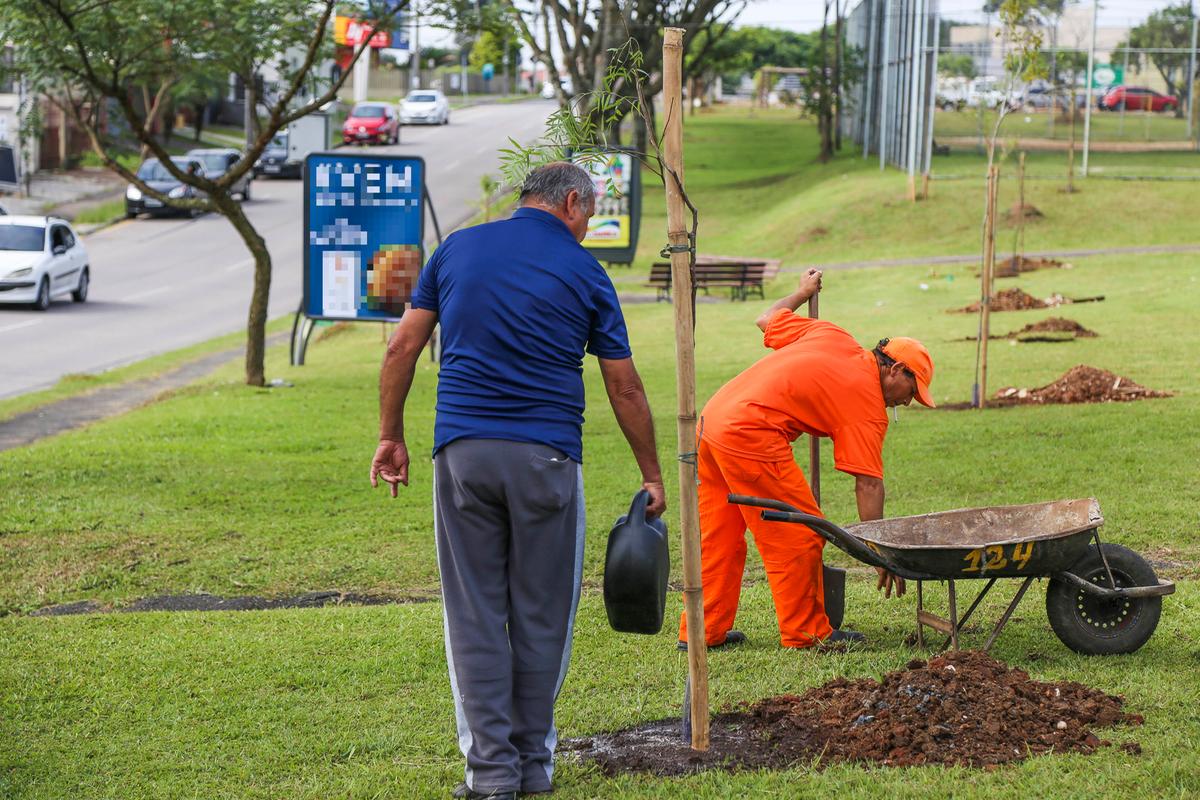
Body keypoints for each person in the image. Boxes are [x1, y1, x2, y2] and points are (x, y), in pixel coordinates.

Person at [370, 162, 665, 800]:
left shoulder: (455, 249)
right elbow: (625, 384)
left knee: (473, 613)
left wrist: (391, 434)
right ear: (569, 203)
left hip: (463, 457)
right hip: (546, 460)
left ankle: (490, 777)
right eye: (588, 215)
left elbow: (402, 349)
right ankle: (532, 768)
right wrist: (651, 473)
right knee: (542, 614)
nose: (587, 227)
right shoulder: (587, 272)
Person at [678, 269, 934, 650]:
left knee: (720, 536)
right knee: (798, 534)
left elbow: (766, 319)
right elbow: (868, 483)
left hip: (712, 421)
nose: (907, 402)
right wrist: (882, 552)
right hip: (749, 434)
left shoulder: (832, 334)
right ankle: (806, 632)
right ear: (895, 369)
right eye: (911, 391)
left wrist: (800, 293)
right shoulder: (867, 404)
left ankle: (702, 631)